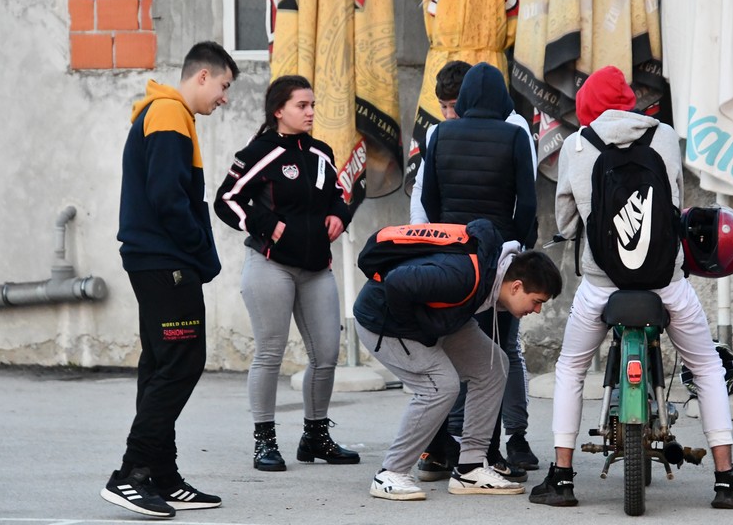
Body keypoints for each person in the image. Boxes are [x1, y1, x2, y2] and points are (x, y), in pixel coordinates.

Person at [530, 65, 733, 509]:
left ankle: (561, 477)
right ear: (628, 101)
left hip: (601, 286)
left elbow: (566, 222)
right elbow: (674, 205)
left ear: (587, 108)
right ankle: (727, 479)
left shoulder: (577, 145)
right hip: (666, 283)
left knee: (571, 369)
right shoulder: (664, 137)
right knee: (707, 367)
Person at [102, 41, 239, 519]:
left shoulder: (168, 113)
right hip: (166, 262)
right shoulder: (167, 113)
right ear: (202, 76)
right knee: (181, 362)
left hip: (155, 260)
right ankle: (132, 474)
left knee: (161, 365)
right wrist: (199, 250)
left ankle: (161, 475)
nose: (224, 98)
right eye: (223, 85)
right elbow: (168, 197)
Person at [354, 219, 562, 501]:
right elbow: (396, 283)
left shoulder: (490, 274)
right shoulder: (461, 276)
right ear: (516, 287)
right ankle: (390, 473)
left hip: (432, 319)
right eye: (537, 301)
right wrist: (419, 332)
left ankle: (470, 468)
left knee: (493, 366)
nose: (536, 310)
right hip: (384, 321)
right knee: (440, 386)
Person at [214, 75, 359, 474]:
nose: (310, 112)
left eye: (312, 105)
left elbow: (338, 195)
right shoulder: (259, 152)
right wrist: (267, 225)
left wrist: (339, 215)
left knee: (326, 355)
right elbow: (226, 200)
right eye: (302, 105)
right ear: (279, 110)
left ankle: (315, 437)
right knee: (270, 354)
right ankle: (265, 441)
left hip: (316, 269)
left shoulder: (321, 152)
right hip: (270, 267)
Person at [418, 61, 540, 479]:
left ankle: (440, 449)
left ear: (466, 98)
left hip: (451, 257)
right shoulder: (515, 135)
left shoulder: (441, 133)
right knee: (493, 357)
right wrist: (514, 243)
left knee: (445, 350)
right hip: (496, 261)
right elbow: (527, 202)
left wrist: (449, 232)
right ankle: (485, 452)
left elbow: (429, 199)